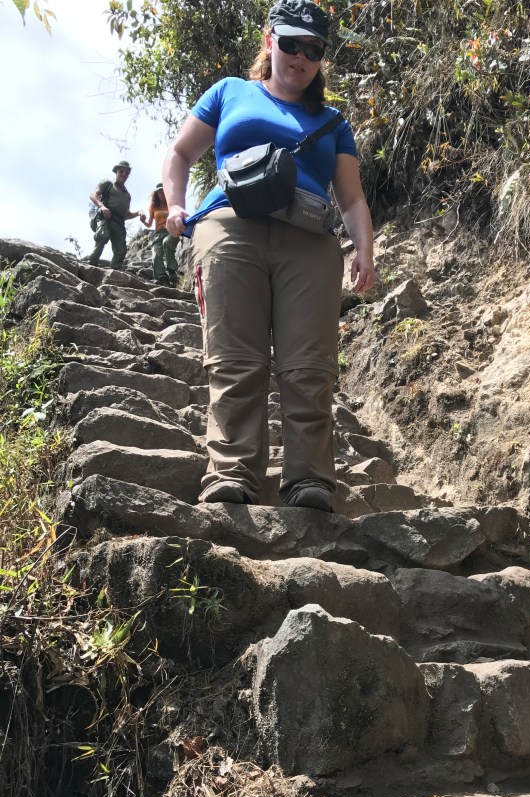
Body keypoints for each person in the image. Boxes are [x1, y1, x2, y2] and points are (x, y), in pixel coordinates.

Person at [163, 0, 375, 511]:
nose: (301, 56)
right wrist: (175, 204)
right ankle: (231, 473)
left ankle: (309, 480)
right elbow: (181, 153)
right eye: (290, 43)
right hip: (229, 228)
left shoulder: (333, 121)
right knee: (235, 358)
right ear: (268, 41)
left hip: (309, 241)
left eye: (313, 49)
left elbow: (351, 197)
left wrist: (364, 250)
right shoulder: (229, 92)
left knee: (310, 366)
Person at [87, 160, 143, 269]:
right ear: (116, 172)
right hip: (105, 217)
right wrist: (102, 206)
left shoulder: (127, 195)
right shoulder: (108, 184)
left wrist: (138, 213)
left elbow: (126, 215)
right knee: (102, 236)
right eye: (121, 171)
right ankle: (91, 265)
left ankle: (114, 272)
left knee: (121, 249)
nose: (124, 174)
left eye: (127, 173)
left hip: (119, 223)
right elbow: (93, 195)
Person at [140, 183, 180, 286]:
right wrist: (143, 221)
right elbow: (149, 224)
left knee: (167, 242)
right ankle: (162, 278)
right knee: (156, 254)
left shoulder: (172, 205)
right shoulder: (153, 207)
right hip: (158, 233)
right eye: (159, 192)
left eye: (164, 191)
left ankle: (172, 270)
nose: (162, 193)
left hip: (170, 231)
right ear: (156, 193)